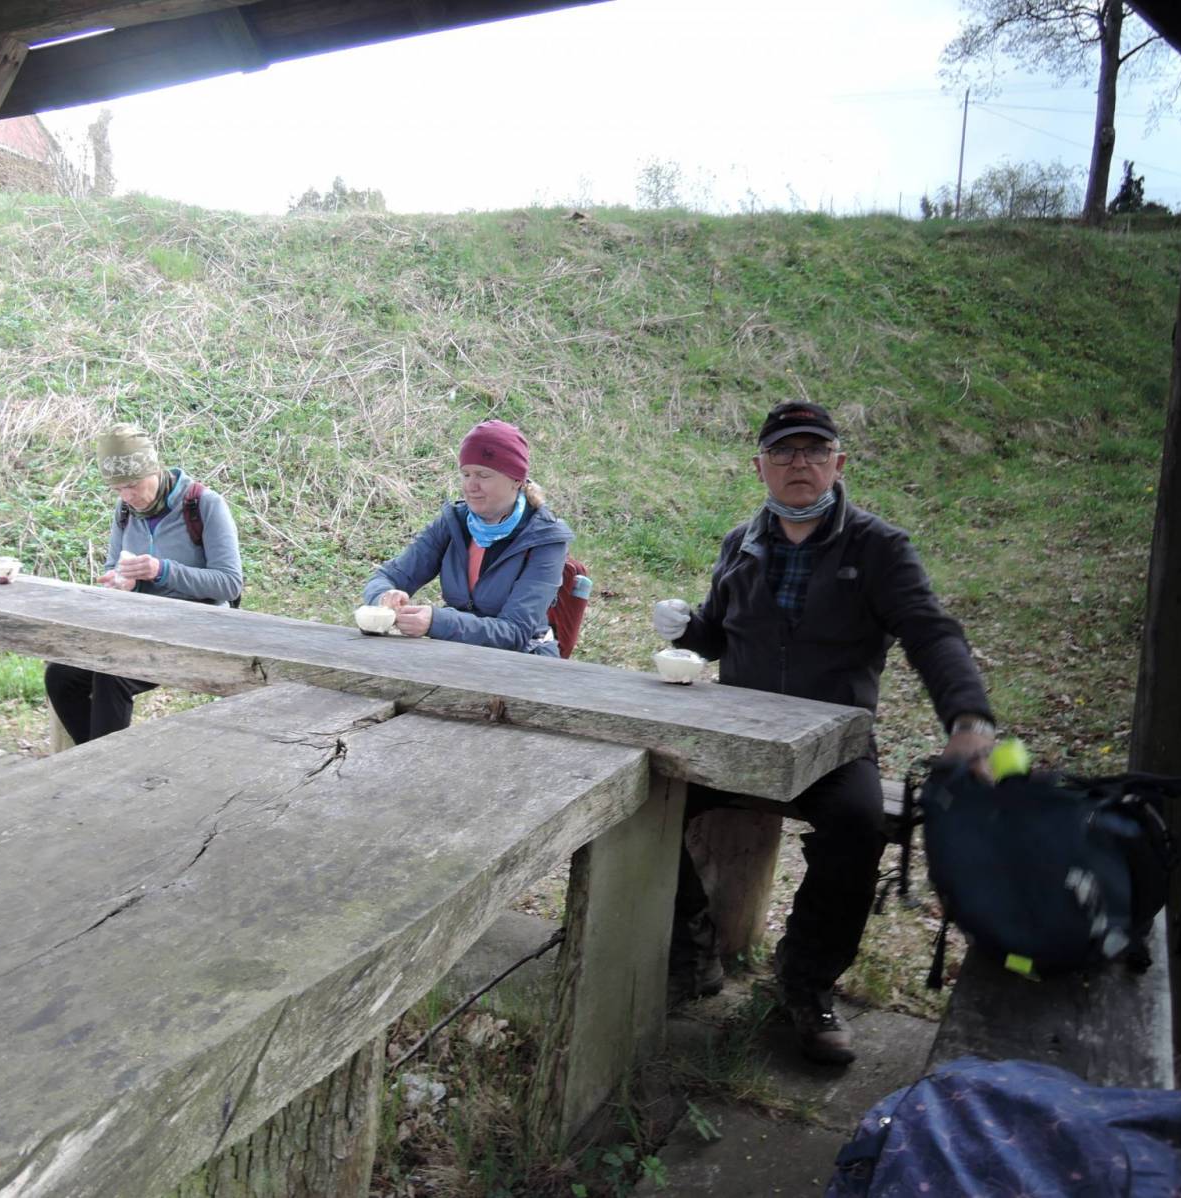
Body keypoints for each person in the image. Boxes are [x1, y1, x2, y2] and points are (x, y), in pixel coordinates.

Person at [652, 401, 995, 1066]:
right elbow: (718, 637)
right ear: (759, 467)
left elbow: (930, 632)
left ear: (839, 464)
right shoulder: (741, 543)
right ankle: (691, 952)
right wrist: (688, 628)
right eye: (783, 451)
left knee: (859, 825)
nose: (799, 463)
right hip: (739, 736)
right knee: (646, 800)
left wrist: (969, 718)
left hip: (834, 745)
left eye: (814, 450)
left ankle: (805, 981)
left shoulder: (878, 548)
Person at [44, 423, 243, 744]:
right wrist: (121, 582)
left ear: (154, 469)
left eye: (132, 485)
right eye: (117, 489)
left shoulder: (205, 505)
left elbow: (230, 583)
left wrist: (162, 571)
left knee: (112, 676)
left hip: (197, 632)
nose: (127, 496)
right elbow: (113, 566)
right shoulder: (124, 510)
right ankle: (98, 760)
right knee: (61, 675)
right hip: (142, 628)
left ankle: (105, 766)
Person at [364, 419, 572, 655]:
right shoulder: (454, 522)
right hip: (457, 652)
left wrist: (438, 622)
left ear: (516, 480)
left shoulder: (546, 539)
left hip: (525, 659)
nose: (471, 486)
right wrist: (384, 597)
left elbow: (515, 632)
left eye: (483, 475)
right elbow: (387, 576)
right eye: (466, 474)